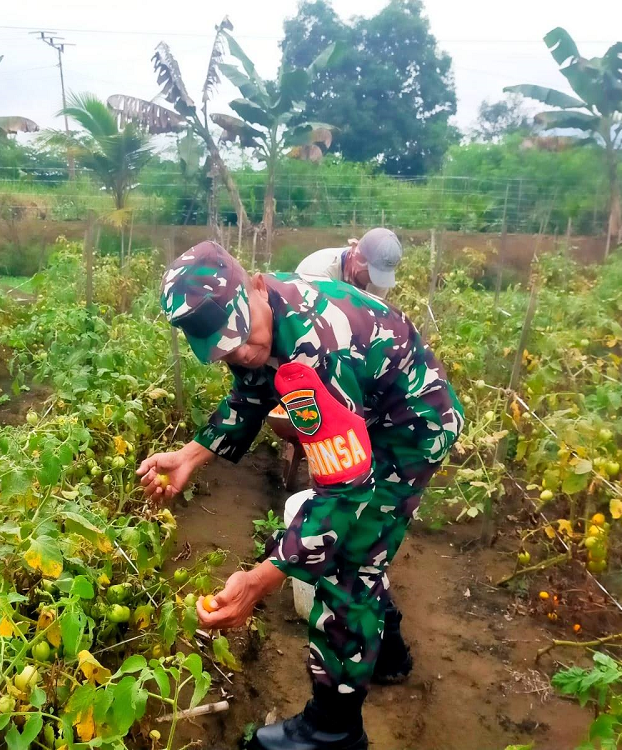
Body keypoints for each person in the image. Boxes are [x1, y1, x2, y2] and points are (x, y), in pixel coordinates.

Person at [137, 241, 463, 750]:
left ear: (258, 285)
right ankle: (389, 654)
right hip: (369, 411)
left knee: (346, 565)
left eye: (242, 335)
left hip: (409, 428)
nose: (241, 351)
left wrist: (259, 580)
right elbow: (250, 392)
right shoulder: (262, 327)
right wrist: (190, 456)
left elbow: (340, 497)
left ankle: (332, 730)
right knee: (361, 547)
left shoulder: (317, 349)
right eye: (224, 349)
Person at [294, 227, 402, 296]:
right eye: (372, 273)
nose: (375, 281)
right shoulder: (319, 274)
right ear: (359, 258)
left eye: (381, 275)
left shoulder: (380, 282)